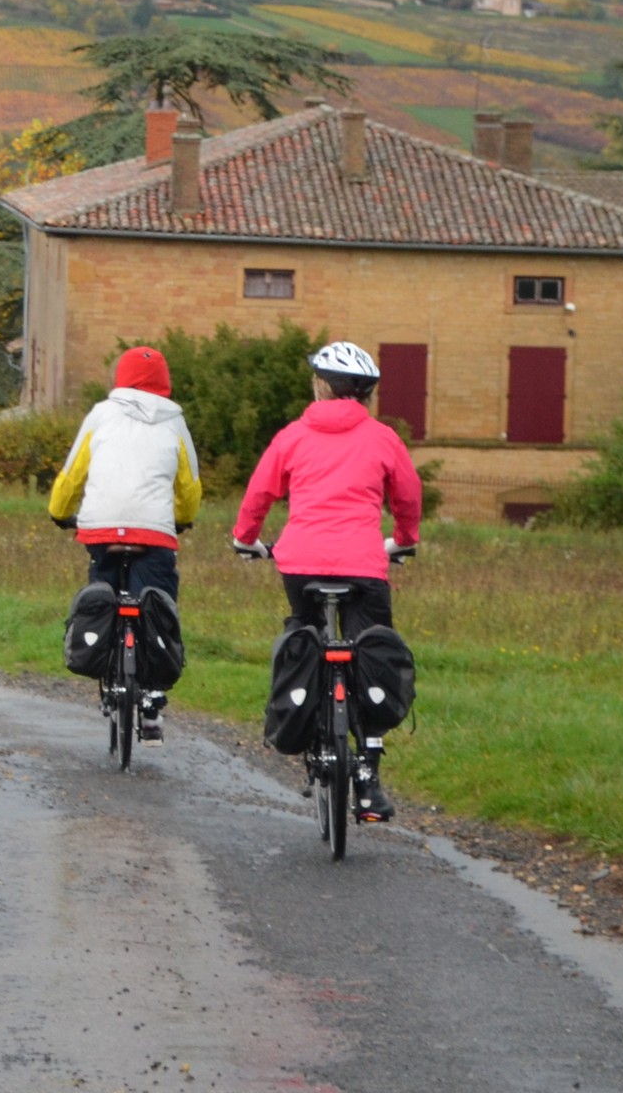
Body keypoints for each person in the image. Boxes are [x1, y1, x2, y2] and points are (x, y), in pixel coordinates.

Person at [229, 340, 422, 821]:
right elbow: (408, 496)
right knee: (372, 653)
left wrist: (244, 538)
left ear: (319, 385)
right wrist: (403, 539)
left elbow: (259, 493)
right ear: (365, 394)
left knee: (305, 634)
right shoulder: (382, 438)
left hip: (301, 564)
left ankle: (306, 720)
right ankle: (369, 780)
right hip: (363, 564)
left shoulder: (292, 435)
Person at [47, 344, 203, 736]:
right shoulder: (175, 421)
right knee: (156, 604)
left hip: (101, 527)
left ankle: (101, 653)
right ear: (164, 382)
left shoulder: (100, 415)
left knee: (102, 591)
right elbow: (189, 484)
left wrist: (58, 510)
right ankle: (151, 699)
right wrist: (183, 519)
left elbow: (73, 471)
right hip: (154, 532)